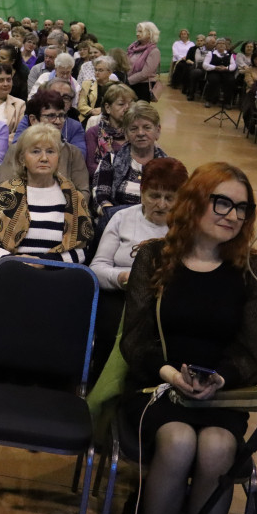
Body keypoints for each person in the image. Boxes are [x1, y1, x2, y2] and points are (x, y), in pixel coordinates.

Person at [120, 163, 257, 514]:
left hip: (219, 394)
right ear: (194, 202)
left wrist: (219, 376)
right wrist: (170, 373)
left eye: (243, 208)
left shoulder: (252, 269)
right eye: (222, 203)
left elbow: (250, 355)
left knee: (219, 447)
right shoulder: (153, 257)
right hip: (156, 386)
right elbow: (134, 342)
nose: (233, 216)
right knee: (179, 439)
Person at [89, 157, 188, 378]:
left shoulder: (187, 229)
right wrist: (122, 277)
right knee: (110, 327)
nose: (161, 204)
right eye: (154, 196)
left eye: (170, 198)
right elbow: (97, 269)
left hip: (166, 301)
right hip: (121, 295)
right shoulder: (121, 218)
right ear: (142, 193)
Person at [0, 122, 92, 267]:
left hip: (56, 276)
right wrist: (12, 263)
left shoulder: (73, 197)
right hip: (9, 273)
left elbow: (82, 249)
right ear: (22, 159)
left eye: (50, 151)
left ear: (58, 158)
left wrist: (45, 263)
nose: (44, 158)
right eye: (36, 151)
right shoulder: (3, 193)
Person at [0, 90, 91, 203]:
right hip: (22, 212)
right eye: (51, 116)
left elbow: (83, 192)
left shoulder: (73, 152)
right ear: (33, 120)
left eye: (61, 116)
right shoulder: (17, 150)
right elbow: (3, 188)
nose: (58, 121)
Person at [93, 101, 167, 217]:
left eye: (147, 127)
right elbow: (100, 198)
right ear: (126, 134)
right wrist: (119, 219)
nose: (140, 133)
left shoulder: (171, 167)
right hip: (116, 225)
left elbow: (179, 204)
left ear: (158, 131)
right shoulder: (110, 160)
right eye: (133, 129)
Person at [127, 21, 161, 102]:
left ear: (150, 34)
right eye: (137, 31)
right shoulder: (132, 48)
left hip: (142, 87)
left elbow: (145, 73)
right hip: (129, 84)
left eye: (140, 31)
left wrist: (127, 81)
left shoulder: (154, 51)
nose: (137, 34)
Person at [77, 55, 118, 123]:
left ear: (109, 72)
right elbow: (81, 105)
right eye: (95, 70)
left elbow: (118, 105)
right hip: (89, 117)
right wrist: (93, 111)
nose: (97, 73)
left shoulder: (116, 86)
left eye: (100, 70)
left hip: (110, 119)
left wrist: (103, 110)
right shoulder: (87, 84)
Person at [201, 37, 236, 108]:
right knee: (214, 80)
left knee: (231, 80)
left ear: (226, 46)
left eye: (223, 44)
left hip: (226, 72)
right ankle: (209, 100)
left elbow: (233, 65)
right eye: (219, 43)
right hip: (214, 72)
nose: (221, 45)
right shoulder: (210, 54)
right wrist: (215, 67)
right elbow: (205, 65)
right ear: (216, 46)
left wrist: (226, 68)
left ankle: (227, 102)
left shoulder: (230, 55)